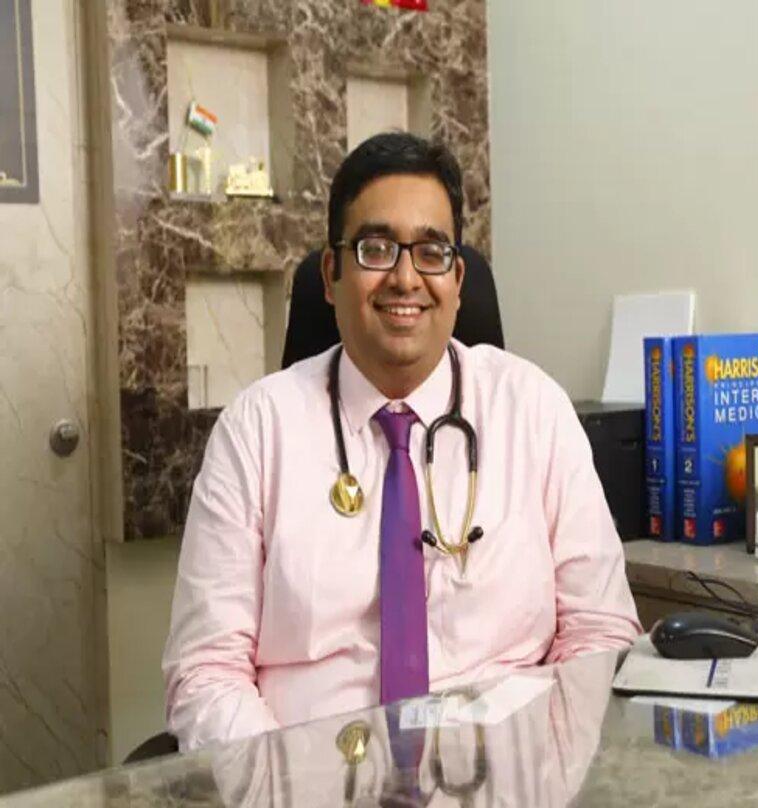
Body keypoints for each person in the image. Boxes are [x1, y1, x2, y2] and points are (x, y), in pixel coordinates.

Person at [163, 132, 640, 752]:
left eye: (431, 252)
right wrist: (293, 788)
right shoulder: (255, 431)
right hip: (305, 777)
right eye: (376, 249)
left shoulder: (533, 411)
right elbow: (206, 673)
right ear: (331, 275)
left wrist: (542, 771)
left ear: (457, 279)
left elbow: (599, 634)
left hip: (506, 775)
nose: (406, 278)